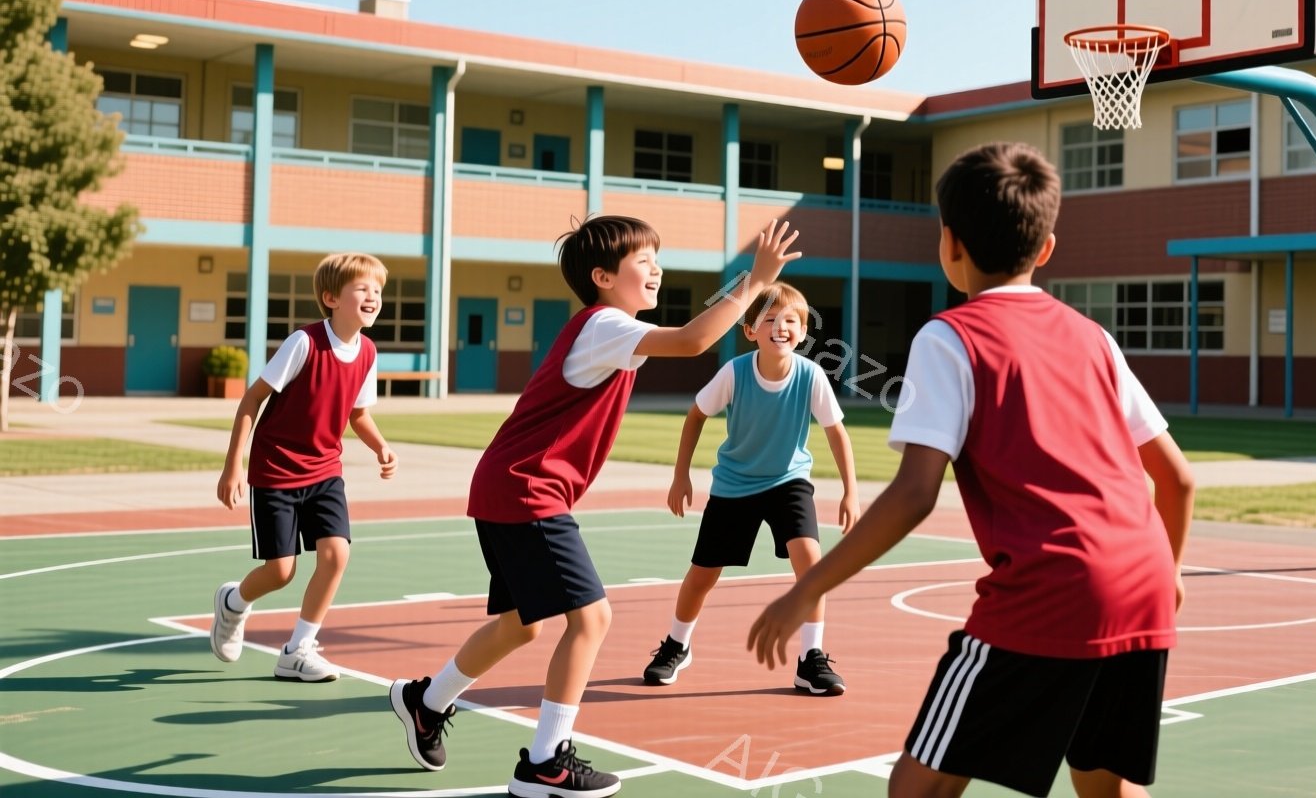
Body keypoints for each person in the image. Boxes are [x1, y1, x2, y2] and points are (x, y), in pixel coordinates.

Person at [748, 142, 1195, 798]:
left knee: (920, 787)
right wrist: (1172, 576)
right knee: (1108, 784)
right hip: (1143, 582)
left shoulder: (950, 337)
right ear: (1046, 248)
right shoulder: (1094, 337)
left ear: (948, 243)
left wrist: (806, 588)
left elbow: (914, 495)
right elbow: (1177, 479)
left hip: (1051, 587)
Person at [390, 216, 800, 798]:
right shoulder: (605, 324)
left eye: (658, 256)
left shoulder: (613, 330)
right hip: (525, 487)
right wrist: (754, 283)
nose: (656, 267)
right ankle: (544, 762)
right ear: (603, 277)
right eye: (642, 260)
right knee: (592, 617)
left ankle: (424, 704)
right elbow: (691, 341)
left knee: (520, 626)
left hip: (512, 487)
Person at [644, 282, 860, 694]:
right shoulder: (735, 372)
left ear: (802, 332)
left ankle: (810, 659)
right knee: (702, 575)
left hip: (788, 481)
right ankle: (677, 644)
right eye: (770, 320)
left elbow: (836, 434)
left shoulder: (811, 375)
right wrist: (680, 474)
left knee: (811, 565)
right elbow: (695, 416)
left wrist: (851, 491)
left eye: (791, 321)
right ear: (750, 330)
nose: (781, 327)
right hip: (735, 484)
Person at [210, 252, 399, 684]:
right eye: (363, 288)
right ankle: (234, 603)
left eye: (378, 290)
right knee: (281, 571)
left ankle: (297, 650)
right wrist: (232, 466)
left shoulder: (368, 352)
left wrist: (380, 446)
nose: (374, 296)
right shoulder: (304, 343)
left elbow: (358, 414)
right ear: (331, 298)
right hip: (276, 470)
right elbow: (251, 400)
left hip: (325, 471)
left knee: (336, 555)